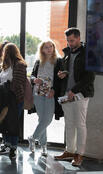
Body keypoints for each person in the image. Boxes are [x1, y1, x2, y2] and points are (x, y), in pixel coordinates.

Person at [54, 28, 95, 166]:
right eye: (68, 41)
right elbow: (70, 72)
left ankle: (79, 154)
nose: (70, 43)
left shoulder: (88, 53)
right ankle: (70, 151)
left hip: (80, 94)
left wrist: (74, 90)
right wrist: (63, 74)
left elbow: (89, 77)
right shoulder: (66, 53)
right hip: (66, 94)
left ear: (78, 38)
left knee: (80, 124)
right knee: (69, 124)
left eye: (72, 40)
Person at [27, 39, 63, 156]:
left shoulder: (58, 61)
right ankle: (43, 146)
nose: (49, 49)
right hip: (37, 93)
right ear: (42, 49)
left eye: (51, 46)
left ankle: (33, 137)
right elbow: (32, 75)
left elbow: (60, 79)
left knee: (47, 119)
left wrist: (54, 90)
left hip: (50, 94)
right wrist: (34, 80)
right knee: (42, 119)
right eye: (46, 47)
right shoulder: (38, 61)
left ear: (53, 48)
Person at [0, 43, 27, 160]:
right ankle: (7, 145)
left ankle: (13, 148)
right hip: (3, 99)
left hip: (14, 100)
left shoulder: (20, 65)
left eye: (6, 51)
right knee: (5, 123)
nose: (5, 53)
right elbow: (0, 80)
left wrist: (6, 91)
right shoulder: (5, 65)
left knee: (13, 124)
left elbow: (17, 83)